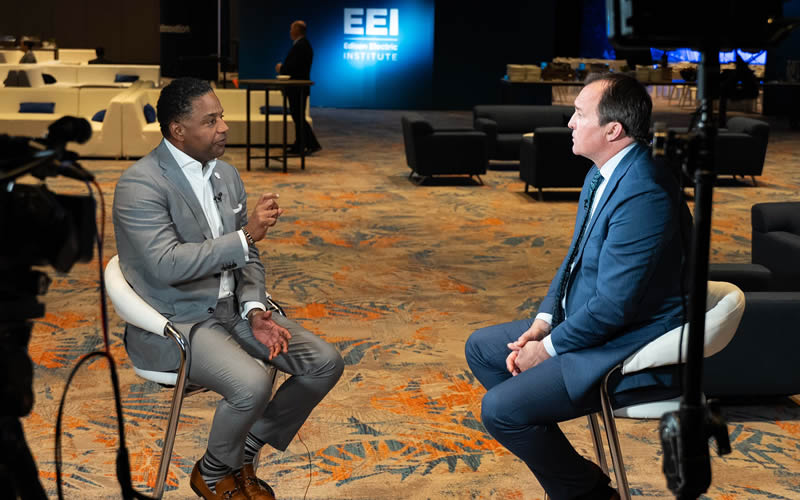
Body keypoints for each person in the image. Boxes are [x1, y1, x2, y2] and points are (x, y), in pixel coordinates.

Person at [113, 77, 343, 500]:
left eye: (221, 116)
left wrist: (254, 308)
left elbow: (247, 257)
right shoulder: (140, 184)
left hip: (233, 312)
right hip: (177, 320)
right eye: (211, 121)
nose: (224, 127)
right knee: (252, 385)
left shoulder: (226, 174)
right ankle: (215, 473)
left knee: (324, 363)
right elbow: (167, 265)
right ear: (178, 130)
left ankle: (243, 452)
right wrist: (246, 235)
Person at [465, 72, 689, 500]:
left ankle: (584, 492)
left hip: (627, 340)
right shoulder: (601, 172)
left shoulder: (644, 192)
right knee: (482, 348)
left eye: (579, 114)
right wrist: (543, 321)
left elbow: (615, 308)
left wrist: (546, 350)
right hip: (590, 320)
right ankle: (579, 481)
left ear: (613, 130)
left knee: (501, 410)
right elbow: (573, 260)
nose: (569, 122)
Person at [275, 20, 322, 155]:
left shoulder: (302, 46)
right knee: (298, 117)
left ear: (297, 30)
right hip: (296, 88)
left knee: (298, 117)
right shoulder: (302, 45)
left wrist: (281, 68)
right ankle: (301, 144)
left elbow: (295, 67)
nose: (290, 32)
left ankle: (309, 144)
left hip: (297, 88)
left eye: (291, 29)